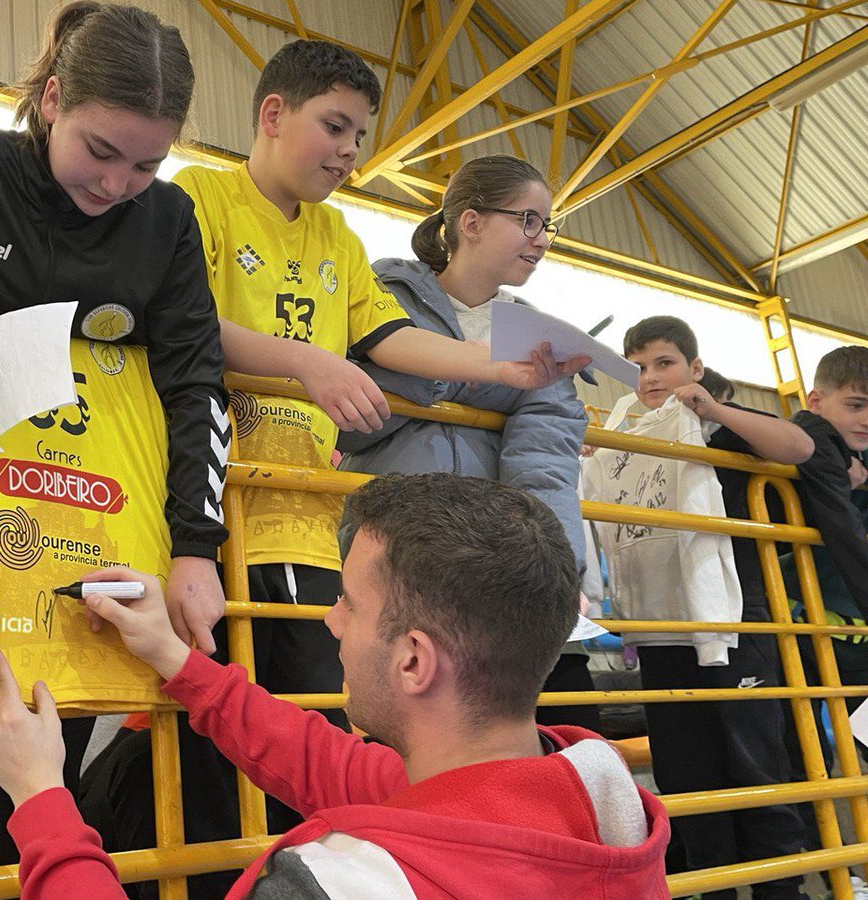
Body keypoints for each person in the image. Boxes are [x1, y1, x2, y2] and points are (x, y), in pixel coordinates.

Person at [153, 42, 588, 893]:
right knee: (208, 719)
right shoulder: (197, 197)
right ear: (272, 115)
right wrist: (308, 363)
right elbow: (185, 321)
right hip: (210, 504)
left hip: (314, 520)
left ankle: (308, 872)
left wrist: (501, 372)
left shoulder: (338, 235)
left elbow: (386, 337)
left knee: (309, 718)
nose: (352, 150)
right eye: (336, 126)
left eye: (360, 134)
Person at [0, 1, 229, 877]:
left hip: (81, 520)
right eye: (99, 151)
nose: (116, 185)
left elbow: (197, 382)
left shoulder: (168, 221)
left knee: (53, 780)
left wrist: (196, 547)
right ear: (51, 99)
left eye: (147, 163)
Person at [0, 474, 670, 899]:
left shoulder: (341, 887)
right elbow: (324, 762)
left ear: (413, 663)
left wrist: (42, 799)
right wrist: (176, 660)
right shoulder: (590, 801)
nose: (329, 619)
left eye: (349, 603)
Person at [337, 153, 599, 732]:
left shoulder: (541, 338)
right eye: (528, 220)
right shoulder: (380, 294)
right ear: (471, 222)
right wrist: (492, 376)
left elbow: (546, 458)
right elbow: (349, 417)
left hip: (484, 559)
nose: (541, 239)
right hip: (387, 550)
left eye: (547, 226)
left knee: (486, 723)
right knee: (388, 724)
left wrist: (558, 567)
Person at [615, 316, 813, 899]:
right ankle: (715, 889)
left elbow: (798, 447)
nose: (650, 377)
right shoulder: (630, 444)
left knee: (754, 760)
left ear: (696, 370)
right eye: (638, 367)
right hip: (662, 626)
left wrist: (713, 411)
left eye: (664, 363)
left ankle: (783, 891)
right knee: (685, 773)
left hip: (735, 617)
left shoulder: (719, 435)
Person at [781, 347, 868, 752]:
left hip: (853, 636)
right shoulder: (806, 438)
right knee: (804, 748)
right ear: (816, 400)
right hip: (799, 627)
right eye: (856, 404)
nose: (866, 419)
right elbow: (844, 531)